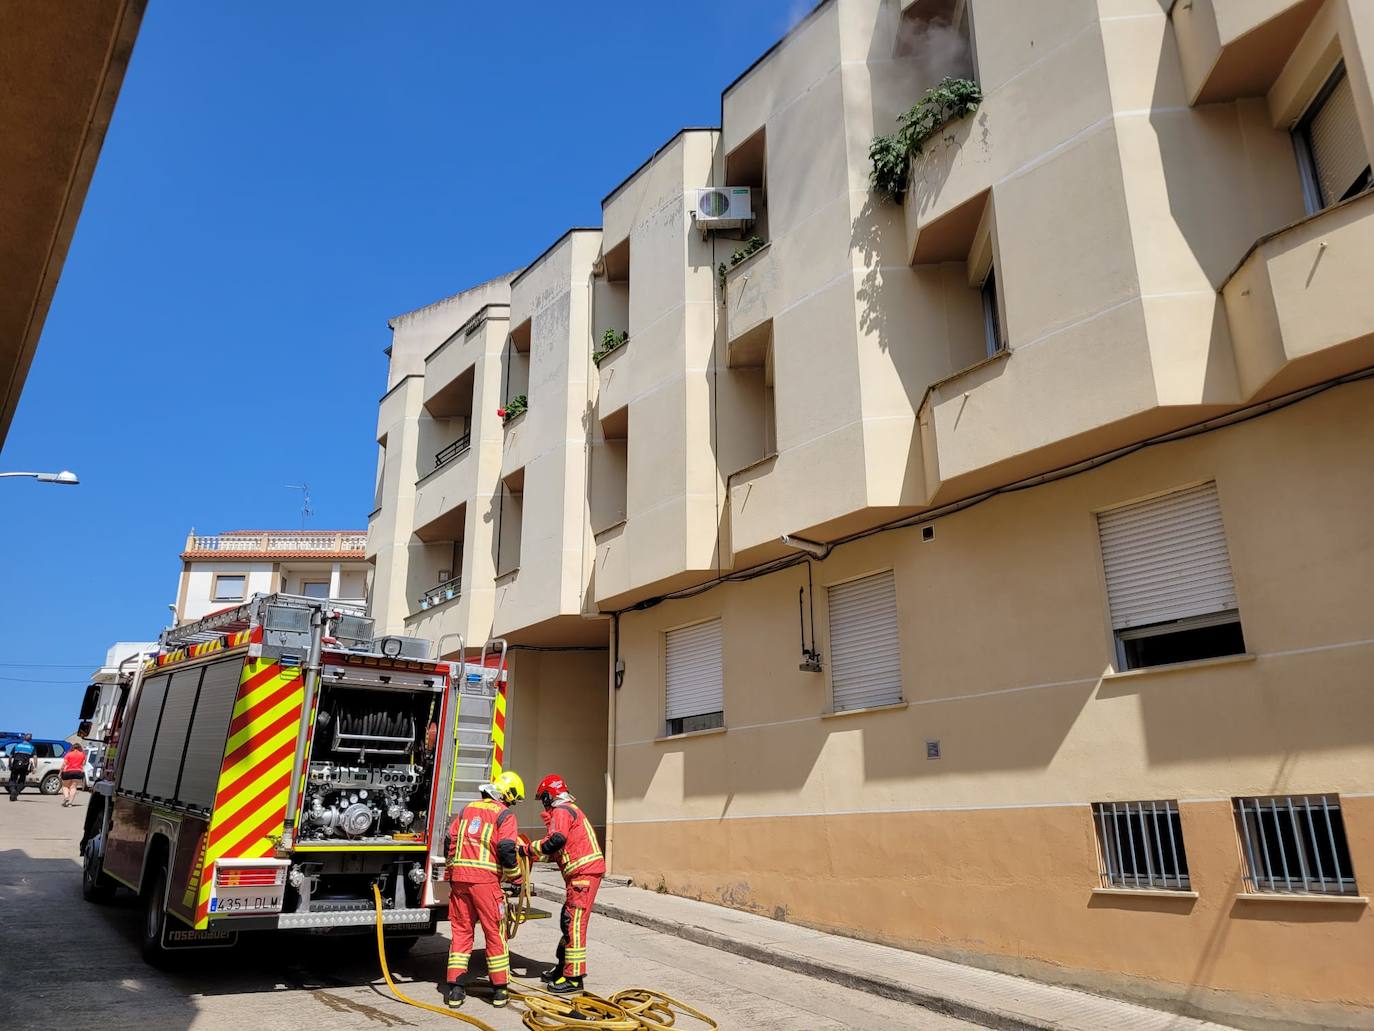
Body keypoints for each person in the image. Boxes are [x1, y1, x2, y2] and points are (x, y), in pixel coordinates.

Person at [444, 769, 524, 1010]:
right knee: (495, 932)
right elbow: (507, 849)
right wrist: (516, 878)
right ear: (507, 795)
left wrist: (451, 872)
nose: (512, 804)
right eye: (512, 800)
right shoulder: (504, 815)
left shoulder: (467, 809)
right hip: (486, 882)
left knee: (461, 932)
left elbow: (450, 840)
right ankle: (499, 990)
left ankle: (456, 989)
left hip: (459, 880)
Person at [523, 774, 606, 995]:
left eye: (543, 798)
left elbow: (555, 841)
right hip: (584, 873)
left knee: (573, 925)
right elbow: (558, 851)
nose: (543, 803)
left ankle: (574, 978)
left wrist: (527, 849)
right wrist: (532, 854)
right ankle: (562, 968)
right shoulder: (569, 810)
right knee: (567, 921)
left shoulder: (561, 811)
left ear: (550, 796)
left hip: (583, 875)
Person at [7, 734, 36, 802]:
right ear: (30, 740)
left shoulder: (17, 745)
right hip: (24, 766)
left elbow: (10, 756)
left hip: (15, 765)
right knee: (22, 781)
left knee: (12, 779)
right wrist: (35, 767)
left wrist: (9, 764)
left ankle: (13, 790)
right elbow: (35, 757)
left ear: (23, 738)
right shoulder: (31, 747)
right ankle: (15, 794)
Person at [60, 741, 86, 807]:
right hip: (78, 772)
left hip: (68, 772)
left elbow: (64, 764)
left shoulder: (69, 754)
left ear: (72, 748)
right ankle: (70, 803)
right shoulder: (82, 754)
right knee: (73, 787)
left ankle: (66, 797)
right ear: (80, 748)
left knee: (65, 786)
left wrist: (60, 772)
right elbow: (83, 764)